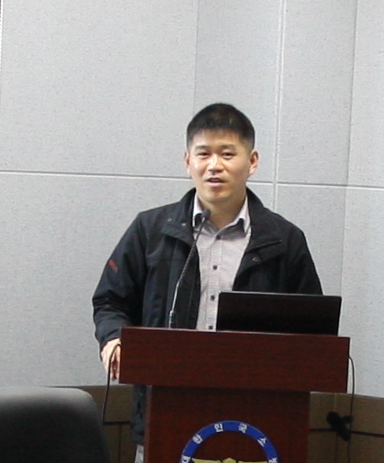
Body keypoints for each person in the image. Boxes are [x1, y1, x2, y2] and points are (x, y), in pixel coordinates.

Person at [89, 101, 324, 384]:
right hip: (164, 390)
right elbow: (111, 301)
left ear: (252, 162)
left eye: (227, 154)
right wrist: (114, 338)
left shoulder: (284, 239)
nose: (214, 166)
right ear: (188, 161)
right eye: (204, 154)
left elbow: (312, 328)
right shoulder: (150, 230)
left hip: (253, 394)